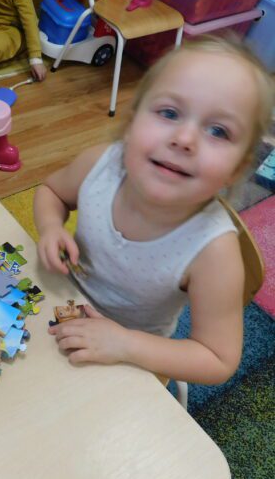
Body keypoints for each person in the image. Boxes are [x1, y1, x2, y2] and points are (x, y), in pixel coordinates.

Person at [33, 36, 273, 385]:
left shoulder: (214, 252)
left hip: (133, 359)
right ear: (132, 124)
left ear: (237, 169)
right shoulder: (100, 164)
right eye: (169, 113)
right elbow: (51, 191)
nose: (184, 139)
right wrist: (51, 227)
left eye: (218, 131)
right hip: (60, 304)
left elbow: (218, 359)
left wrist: (125, 344)